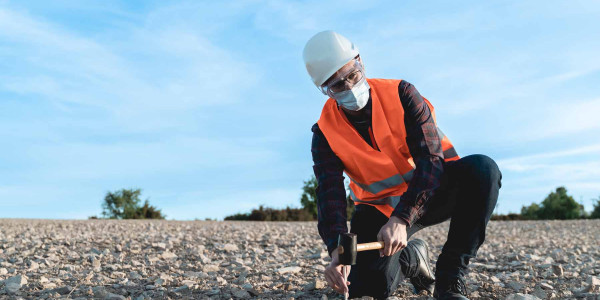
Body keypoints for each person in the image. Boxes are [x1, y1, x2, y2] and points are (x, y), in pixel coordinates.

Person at [303, 30, 502, 300]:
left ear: (361, 62)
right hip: (379, 210)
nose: (349, 86)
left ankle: (450, 277)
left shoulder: (402, 94)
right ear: (324, 90)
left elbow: (431, 161)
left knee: (483, 170)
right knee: (368, 289)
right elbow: (330, 195)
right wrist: (337, 250)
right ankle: (411, 256)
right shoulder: (324, 133)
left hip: (432, 192)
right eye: (337, 85)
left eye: (353, 74)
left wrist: (402, 218)